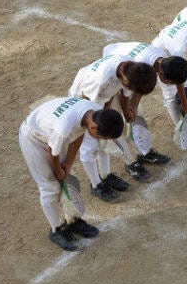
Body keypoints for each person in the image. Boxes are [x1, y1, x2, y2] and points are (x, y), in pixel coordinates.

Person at [19, 96, 124, 250]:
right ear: (94, 127)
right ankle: (56, 230)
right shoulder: (64, 129)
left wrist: (67, 164)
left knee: (68, 179)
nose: (101, 139)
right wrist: (58, 172)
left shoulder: (94, 112)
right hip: (33, 138)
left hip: (50, 132)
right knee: (50, 186)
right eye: (102, 137)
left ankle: (72, 221)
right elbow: (52, 153)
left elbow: (79, 134)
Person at [69, 56, 157, 202]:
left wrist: (122, 109)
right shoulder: (100, 80)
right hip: (83, 103)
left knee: (105, 141)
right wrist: (95, 125)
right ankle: (96, 185)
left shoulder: (129, 68)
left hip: (100, 99)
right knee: (90, 146)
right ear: (126, 81)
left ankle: (106, 175)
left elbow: (117, 92)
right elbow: (85, 102)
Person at [102, 42, 187, 166]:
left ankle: (143, 151)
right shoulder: (140, 66)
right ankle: (130, 162)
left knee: (137, 113)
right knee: (117, 119)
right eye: (169, 83)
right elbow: (124, 92)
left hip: (124, 61)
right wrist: (128, 110)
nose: (169, 85)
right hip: (112, 69)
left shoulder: (165, 61)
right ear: (160, 74)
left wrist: (184, 102)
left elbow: (143, 86)